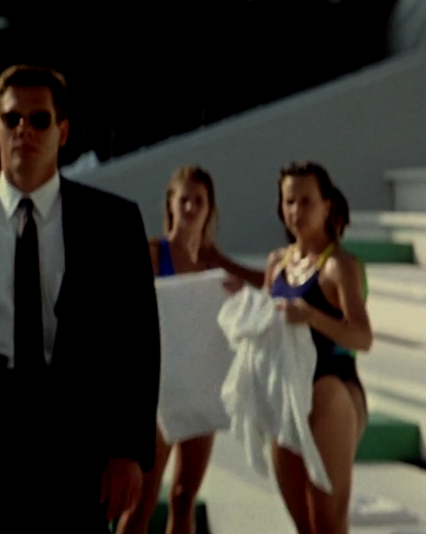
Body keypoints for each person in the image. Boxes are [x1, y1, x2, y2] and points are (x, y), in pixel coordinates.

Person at [0, 64, 161, 533]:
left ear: (62, 131)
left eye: (39, 119)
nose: (25, 130)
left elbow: (138, 341)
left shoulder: (112, 223)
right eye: (12, 118)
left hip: (75, 430)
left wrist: (128, 450)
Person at [223, 160, 371, 534]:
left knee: (327, 523)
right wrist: (246, 303)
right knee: (302, 524)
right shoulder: (278, 262)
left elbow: (363, 337)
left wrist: (313, 317)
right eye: (289, 202)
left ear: (326, 206)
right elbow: (267, 324)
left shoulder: (339, 266)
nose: (296, 211)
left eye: (306, 202)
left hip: (331, 390)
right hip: (287, 392)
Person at [117, 164, 262, 534]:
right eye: (184, 200)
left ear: (210, 208)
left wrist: (233, 277)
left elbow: (266, 287)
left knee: (184, 495)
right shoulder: (152, 252)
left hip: (200, 386)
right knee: (142, 500)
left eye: (199, 201)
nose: (191, 208)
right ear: (170, 202)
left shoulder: (213, 263)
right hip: (157, 392)